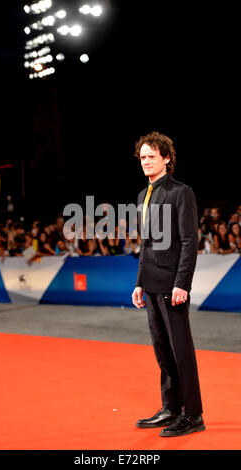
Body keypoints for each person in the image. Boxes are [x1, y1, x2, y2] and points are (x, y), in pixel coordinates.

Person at [132, 131, 205, 437]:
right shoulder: (142, 195)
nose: (146, 161)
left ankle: (193, 414)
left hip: (172, 285)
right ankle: (171, 407)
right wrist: (139, 283)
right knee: (163, 351)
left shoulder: (180, 192)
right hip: (150, 283)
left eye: (152, 156)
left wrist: (182, 283)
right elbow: (146, 244)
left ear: (166, 158)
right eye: (142, 157)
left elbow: (190, 241)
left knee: (181, 351)